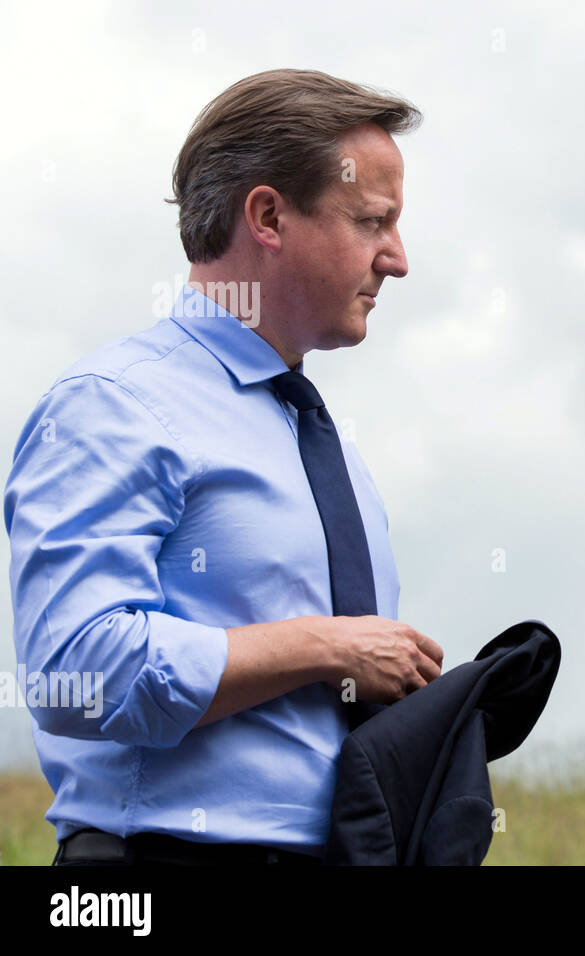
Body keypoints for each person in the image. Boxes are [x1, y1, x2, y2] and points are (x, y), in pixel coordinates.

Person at [5, 68, 444, 865]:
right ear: (269, 216)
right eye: (372, 221)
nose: (398, 259)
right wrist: (326, 647)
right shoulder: (113, 406)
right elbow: (72, 669)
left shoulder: (321, 441)